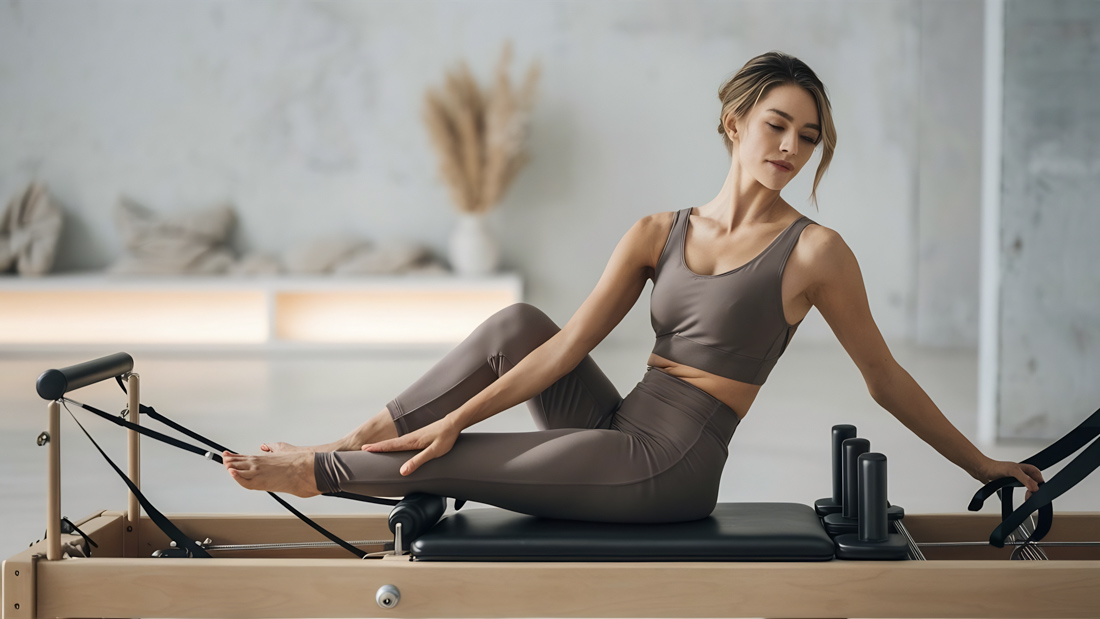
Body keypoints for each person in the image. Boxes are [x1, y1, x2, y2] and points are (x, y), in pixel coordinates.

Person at [223, 51, 1043, 523]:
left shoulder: (815, 252)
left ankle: (314, 472)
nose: (791, 145)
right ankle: (357, 433)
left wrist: (980, 461)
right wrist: (448, 412)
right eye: (776, 125)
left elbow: (884, 377)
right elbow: (565, 348)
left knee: (462, 459)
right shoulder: (660, 231)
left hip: (669, 460)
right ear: (735, 123)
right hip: (620, 419)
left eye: (809, 136)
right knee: (518, 321)